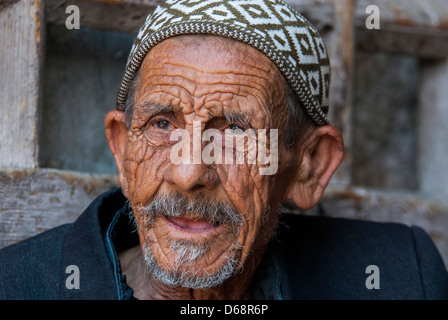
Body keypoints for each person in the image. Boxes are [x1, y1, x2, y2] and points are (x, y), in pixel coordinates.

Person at [1, 0, 447, 300]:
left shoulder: (400, 278)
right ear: (121, 148)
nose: (189, 171)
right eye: (162, 124)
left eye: (234, 131)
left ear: (310, 165)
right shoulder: (18, 286)